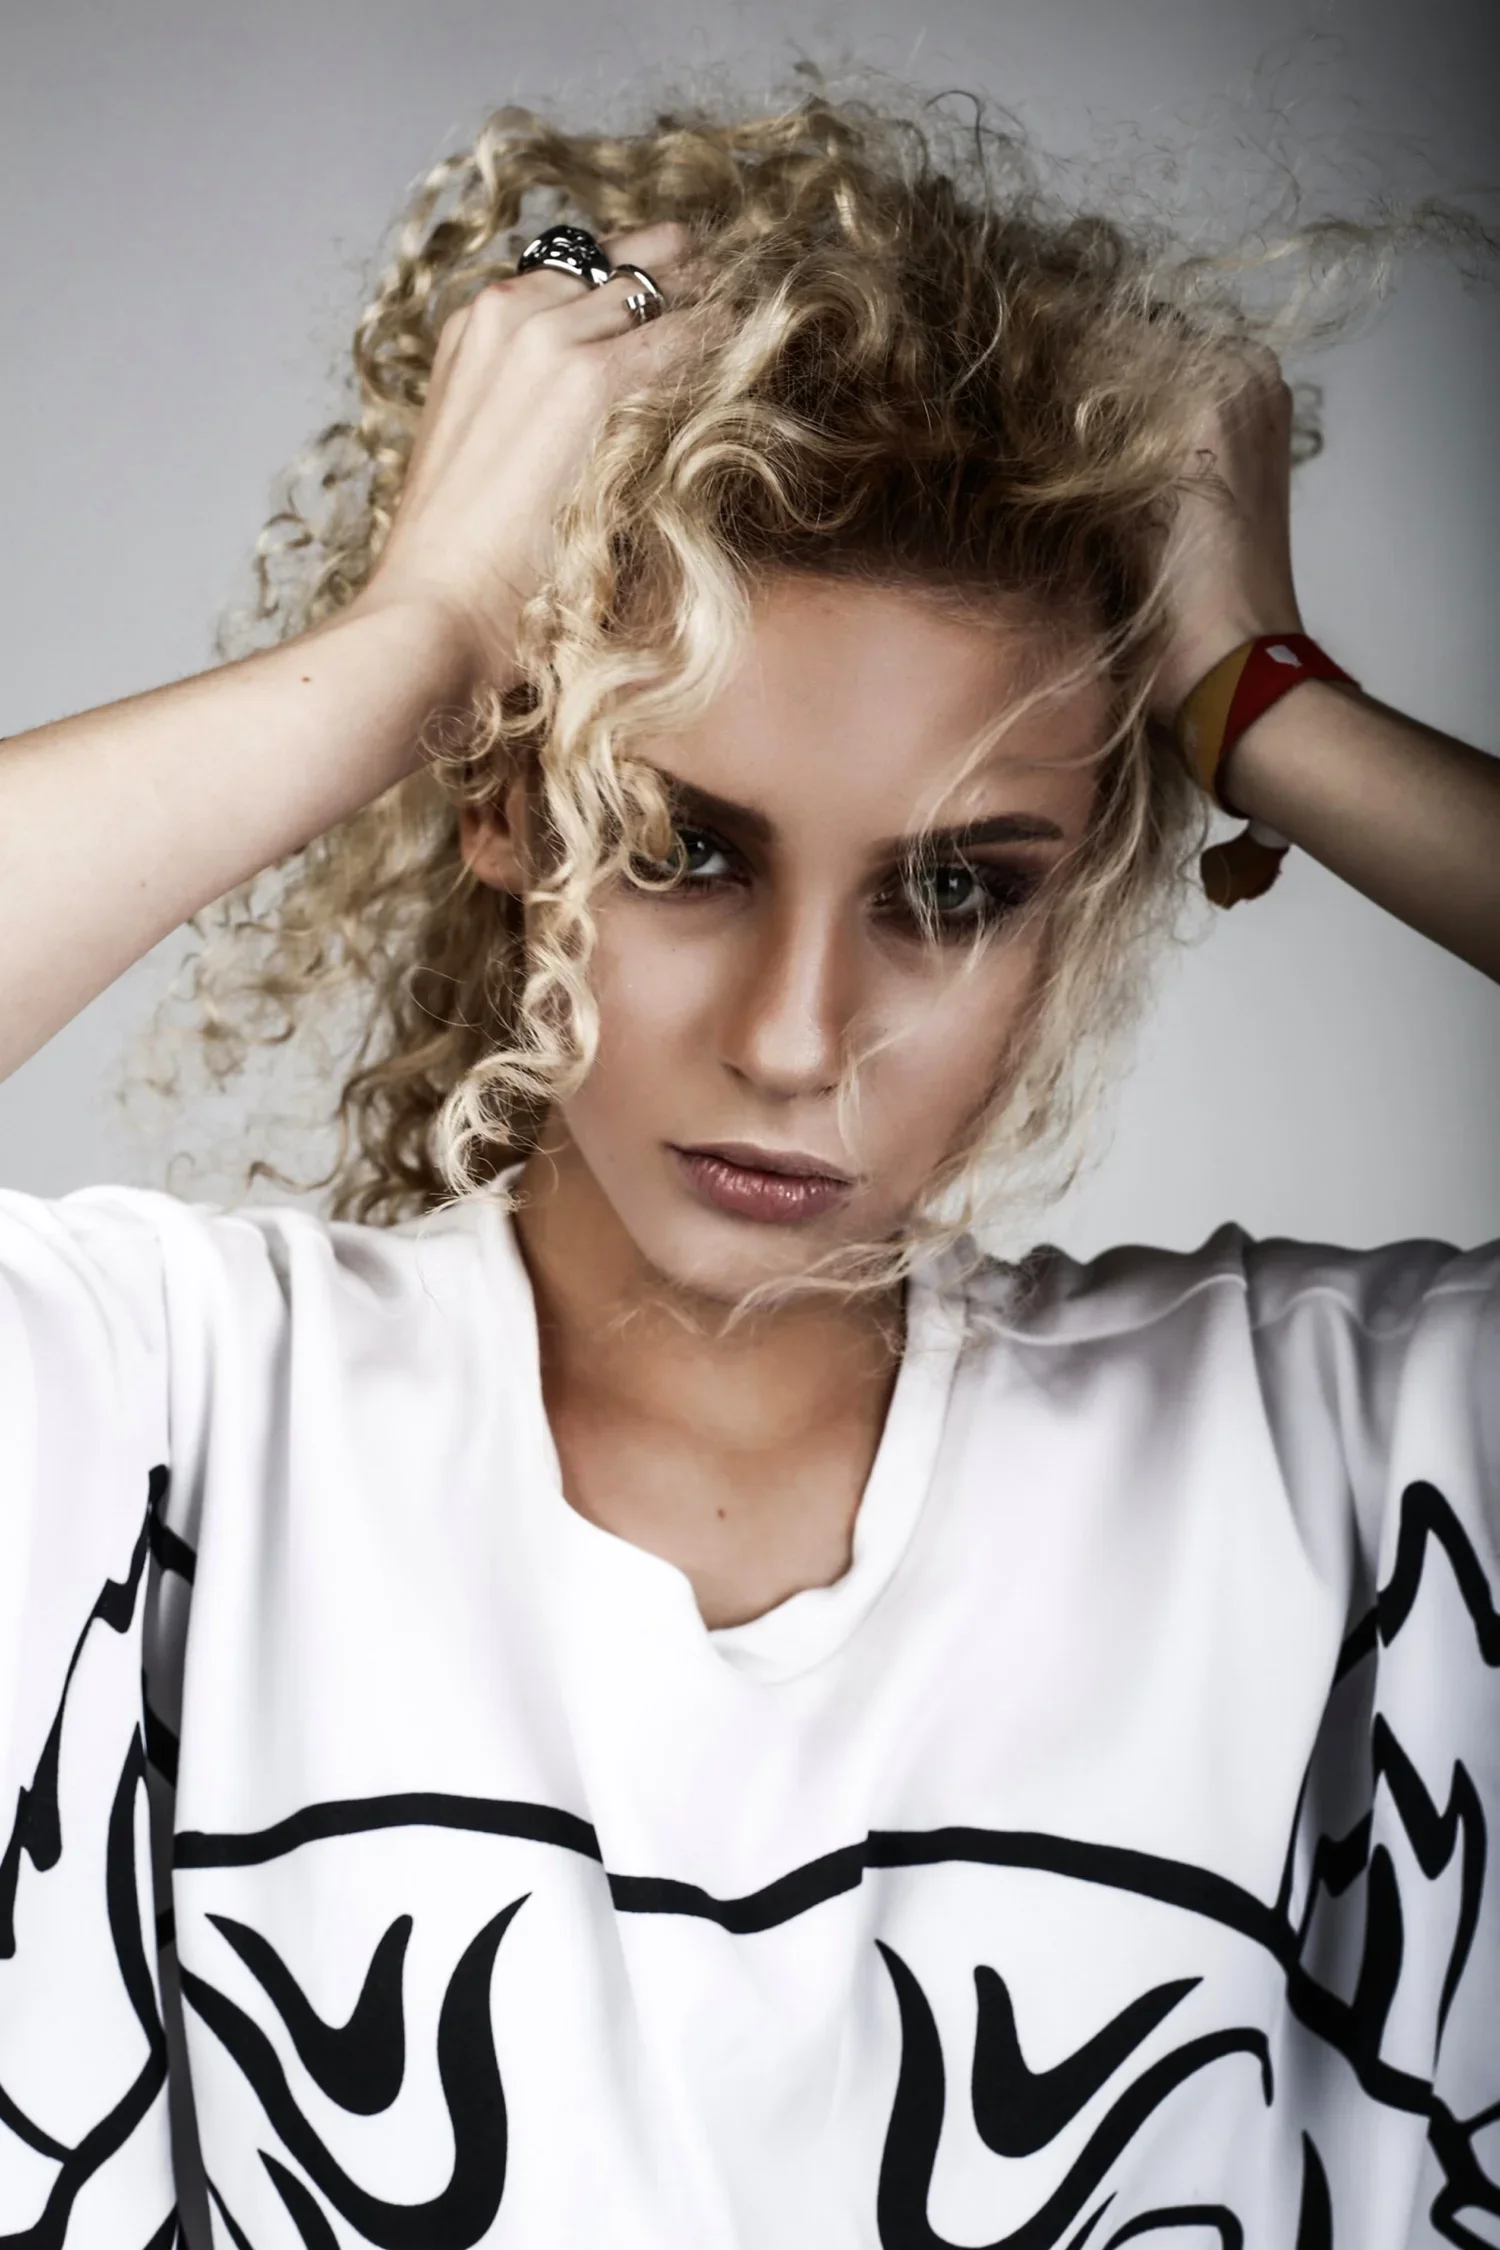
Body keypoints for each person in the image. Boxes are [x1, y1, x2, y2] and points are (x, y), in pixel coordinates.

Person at [0, 74, 1496, 2250]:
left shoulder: (1330, 1475)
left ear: (1086, 892)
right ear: (504, 805)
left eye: (959, 888)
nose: (801, 1039)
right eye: (681, 845)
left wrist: (1265, 705)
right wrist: (417, 645)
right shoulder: (166, 1424)